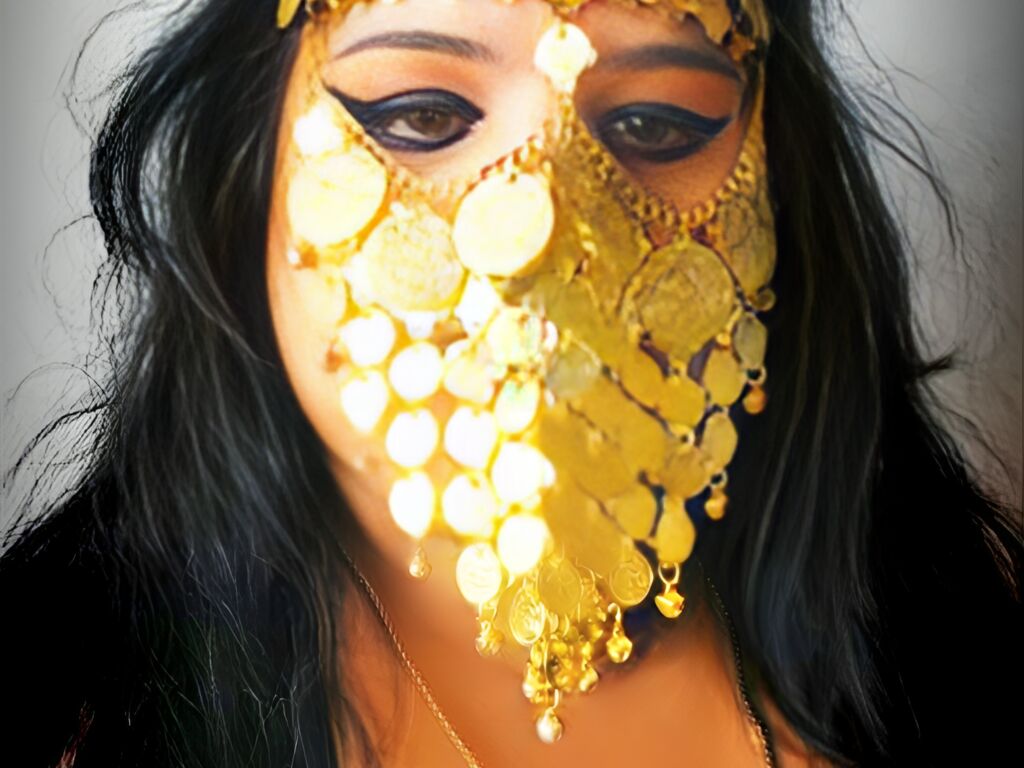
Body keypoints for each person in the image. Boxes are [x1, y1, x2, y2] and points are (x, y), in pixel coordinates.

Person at [1, 1, 1020, 767]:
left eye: (659, 124)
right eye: (421, 115)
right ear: (250, 166)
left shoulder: (953, 663)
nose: (543, 242)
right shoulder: (71, 712)